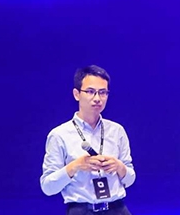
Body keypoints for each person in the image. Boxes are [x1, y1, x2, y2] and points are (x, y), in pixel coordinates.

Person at [40, 65, 137, 214]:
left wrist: (119, 167)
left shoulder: (117, 131)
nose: (97, 98)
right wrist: (75, 166)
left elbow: (130, 180)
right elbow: (47, 187)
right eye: (91, 92)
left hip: (117, 209)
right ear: (76, 94)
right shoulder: (59, 135)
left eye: (102, 92)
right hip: (82, 210)